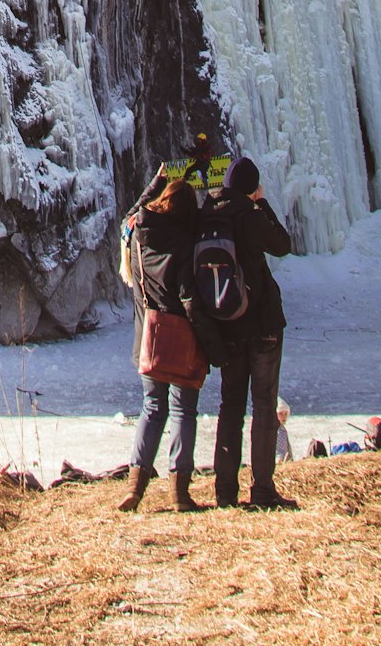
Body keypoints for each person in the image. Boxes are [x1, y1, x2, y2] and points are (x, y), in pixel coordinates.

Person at [119, 177, 212, 513]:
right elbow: (189, 297)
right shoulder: (185, 244)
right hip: (181, 337)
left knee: (151, 408)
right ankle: (179, 492)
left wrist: (154, 182)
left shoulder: (136, 235)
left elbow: (134, 212)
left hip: (148, 337)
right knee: (183, 411)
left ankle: (135, 487)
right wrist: (209, 337)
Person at [210, 156, 294, 511]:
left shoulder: (210, 217)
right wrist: (262, 203)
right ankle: (262, 490)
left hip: (227, 324)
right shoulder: (251, 215)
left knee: (230, 406)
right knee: (263, 405)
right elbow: (282, 244)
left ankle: (225, 491)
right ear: (251, 187)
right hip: (261, 325)